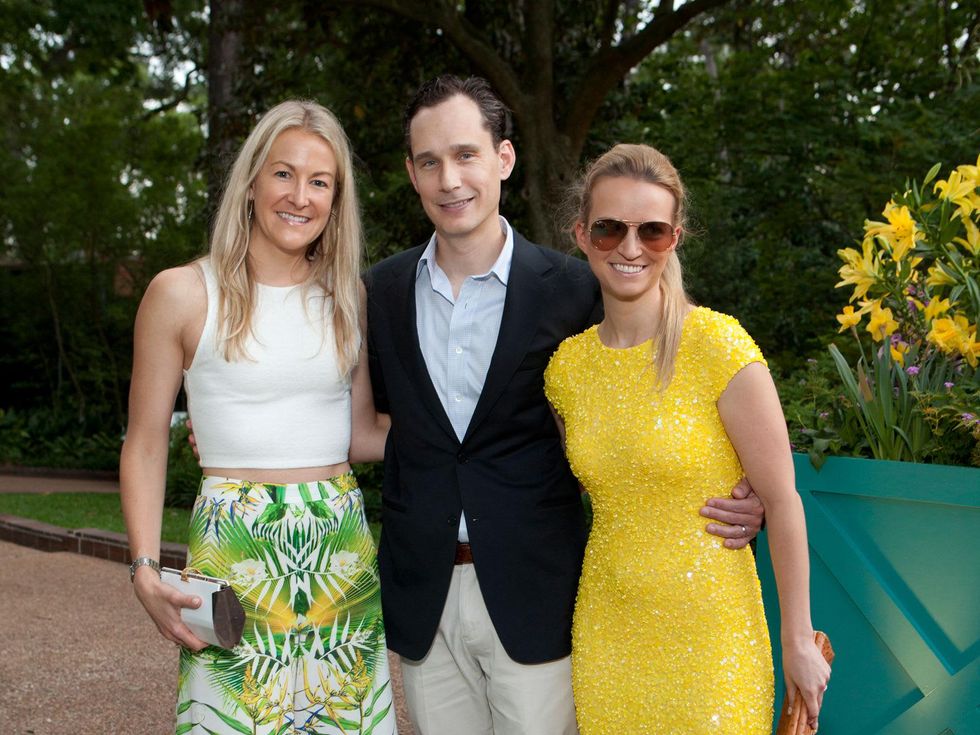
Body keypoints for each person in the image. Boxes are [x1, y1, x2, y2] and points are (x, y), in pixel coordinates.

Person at [364, 75, 768, 735]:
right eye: (429, 161)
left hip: (538, 593)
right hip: (424, 595)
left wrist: (746, 488)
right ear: (411, 172)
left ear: (503, 158)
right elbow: (376, 422)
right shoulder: (379, 292)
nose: (449, 179)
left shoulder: (578, 288)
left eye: (465, 155)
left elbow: (673, 391)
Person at [119, 100, 397, 735]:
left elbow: (359, 434)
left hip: (340, 551)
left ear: (336, 200)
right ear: (250, 182)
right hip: (234, 550)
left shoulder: (348, 295)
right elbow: (145, 443)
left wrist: (478, 431)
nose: (300, 196)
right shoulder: (181, 292)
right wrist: (143, 568)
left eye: (319, 181)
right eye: (283, 173)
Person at [544, 143, 832, 733]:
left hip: (713, 638)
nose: (630, 248)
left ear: (674, 238)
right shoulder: (566, 370)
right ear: (581, 235)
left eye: (651, 231)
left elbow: (783, 501)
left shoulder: (717, 346)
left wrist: (798, 640)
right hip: (608, 633)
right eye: (609, 229)